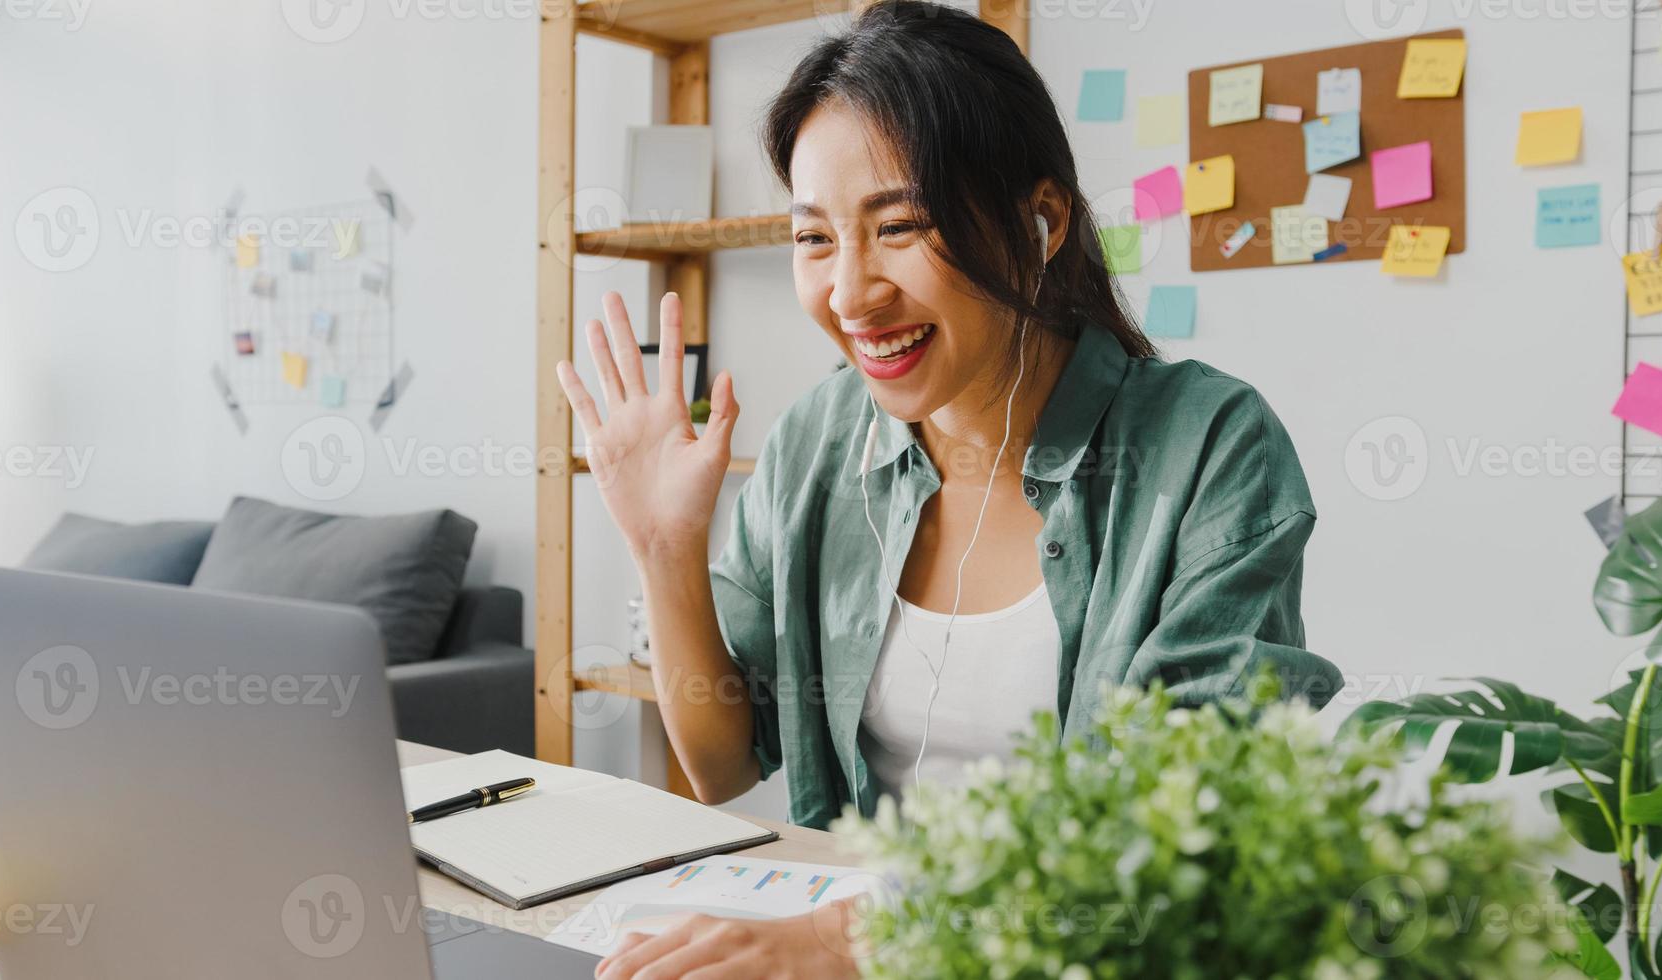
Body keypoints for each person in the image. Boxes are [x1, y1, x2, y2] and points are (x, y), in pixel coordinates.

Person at [557, 3, 1346, 976]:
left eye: (900, 226)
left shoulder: (1208, 449)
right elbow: (723, 763)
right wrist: (664, 547)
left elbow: (1188, 835)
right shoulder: (818, 437)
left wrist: (846, 941)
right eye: (813, 239)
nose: (849, 292)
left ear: (1039, 219)